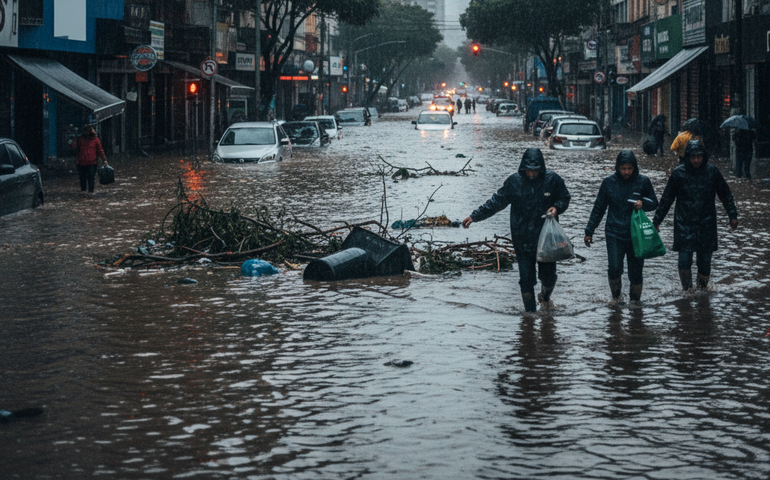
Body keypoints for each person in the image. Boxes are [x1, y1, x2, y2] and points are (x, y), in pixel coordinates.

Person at [462, 148, 571, 313]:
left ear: (541, 168)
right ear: (523, 168)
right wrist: (475, 216)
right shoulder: (514, 182)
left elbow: (565, 197)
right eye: (529, 170)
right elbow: (496, 202)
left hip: (546, 239)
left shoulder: (553, 180)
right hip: (522, 238)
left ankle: (545, 297)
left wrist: (556, 207)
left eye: (535, 170)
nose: (532, 173)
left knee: (548, 277)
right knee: (526, 279)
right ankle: (530, 315)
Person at [653, 140, 738, 291]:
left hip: (706, 223)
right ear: (688, 157)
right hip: (684, 224)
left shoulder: (712, 172)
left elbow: (725, 195)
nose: (696, 160)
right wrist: (657, 220)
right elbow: (667, 199)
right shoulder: (678, 174)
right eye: (693, 157)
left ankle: (702, 291)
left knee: (704, 263)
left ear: (704, 157)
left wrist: (732, 215)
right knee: (684, 261)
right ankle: (687, 292)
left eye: (699, 157)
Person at [584, 150, 659, 302]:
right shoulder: (608, 183)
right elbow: (599, 208)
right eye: (623, 168)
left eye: (629, 168)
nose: (626, 172)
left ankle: (635, 303)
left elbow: (654, 203)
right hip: (614, 232)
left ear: (634, 167)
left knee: (636, 272)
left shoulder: (643, 181)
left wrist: (643, 204)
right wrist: (589, 230)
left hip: (636, 233)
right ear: (618, 167)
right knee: (614, 268)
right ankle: (616, 299)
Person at [71, 125, 107, 195]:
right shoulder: (80, 139)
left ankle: (90, 192)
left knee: (91, 177)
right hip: (82, 163)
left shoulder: (96, 140)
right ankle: (84, 191)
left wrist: (104, 159)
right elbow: (73, 146)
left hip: (91, 163)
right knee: (83, 178)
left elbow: (100, 150)